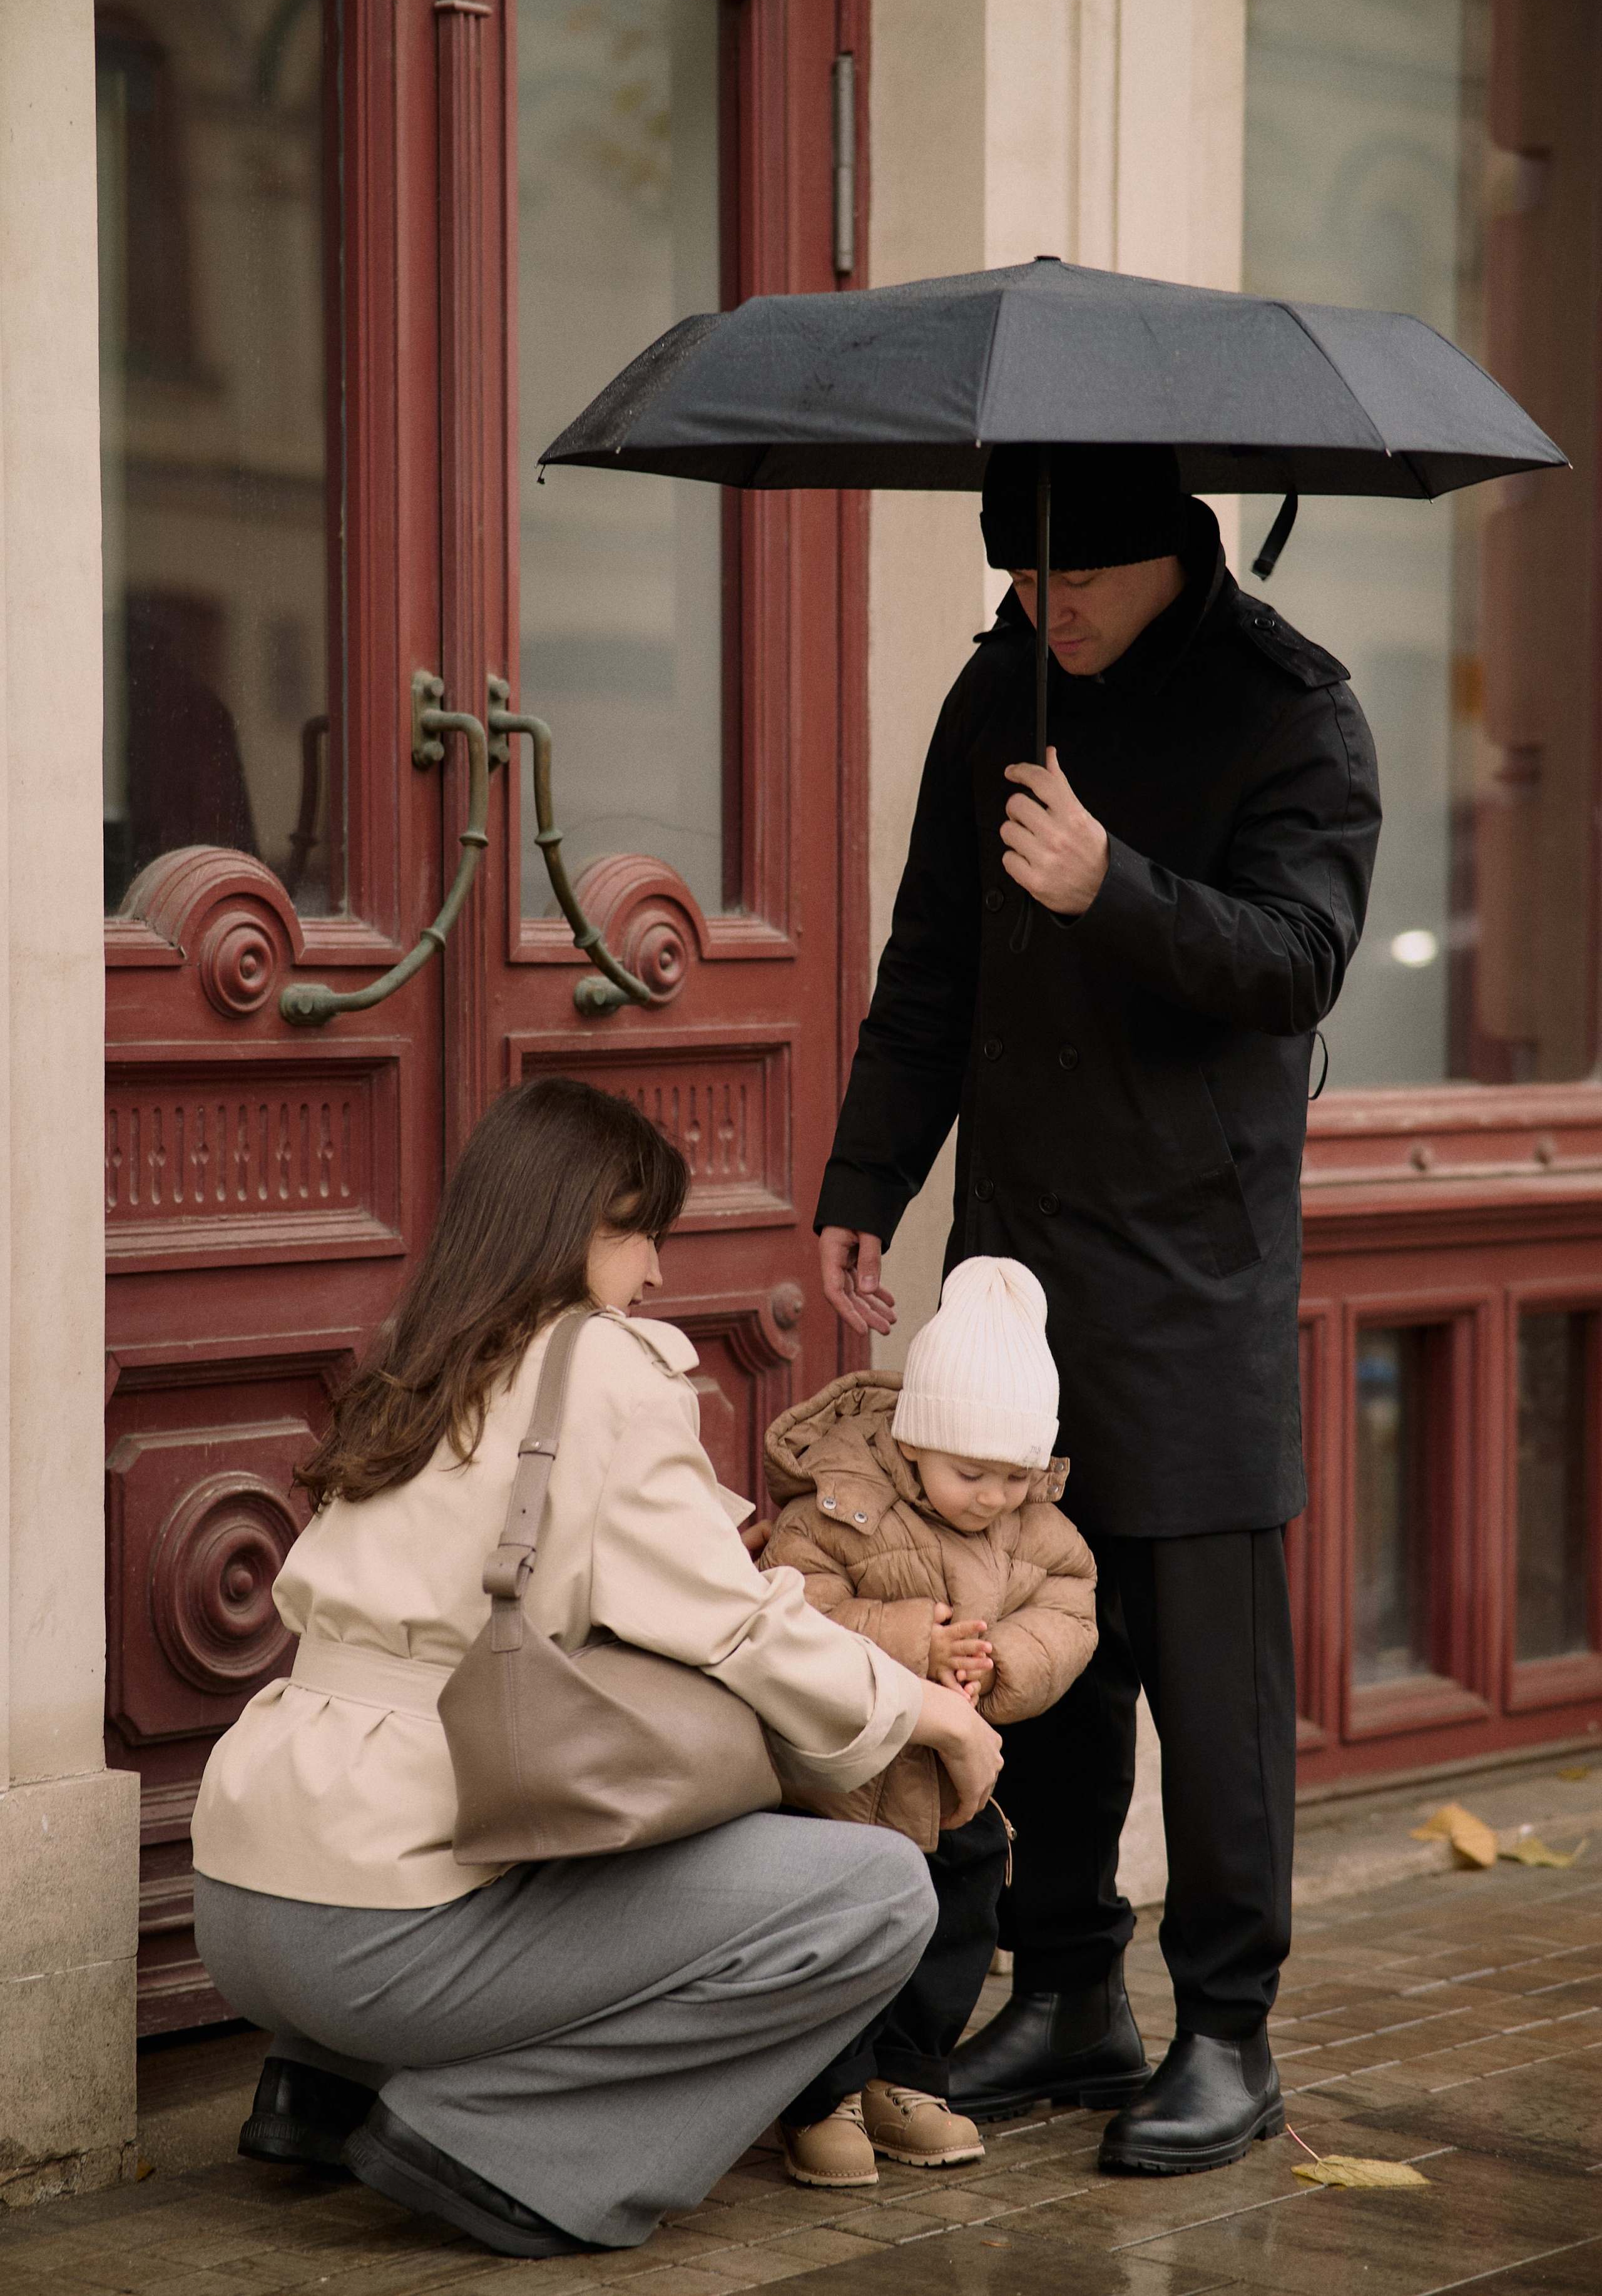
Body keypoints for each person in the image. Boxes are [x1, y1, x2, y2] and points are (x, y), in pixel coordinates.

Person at [816, 444, 1381, 2176]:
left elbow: (1300, 958)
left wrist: (1110, 881)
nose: (1045, 614)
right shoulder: (999, 685)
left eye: (1076, 587)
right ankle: (1066, 1988)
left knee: (1209, 1674)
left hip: (1198, 1264)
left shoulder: (1300, 710)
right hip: (1018, 1252)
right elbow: (931, 958)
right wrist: (862, 1186)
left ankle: (1228, 2031)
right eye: (1025, 585)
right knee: (1024, 1636)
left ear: (1175, 556)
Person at [190, 1076, 1003, 2258]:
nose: (658, 1274)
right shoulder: (608, 1365)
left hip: (243, 1896)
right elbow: (739, 1631)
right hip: (385, 1937)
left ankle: (321, 2091)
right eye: (643, 1233)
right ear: (575, 1222)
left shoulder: (422, 1353)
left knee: (543, 1792)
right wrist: (932, 1711)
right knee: (874, 1894)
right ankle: (490, 2143)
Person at [758, 1255, 1099, 2190]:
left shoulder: (1032, 1525)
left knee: (958, 1918)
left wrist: (1005, 1663)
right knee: (840, 1931)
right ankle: (818, 2096)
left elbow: (1073, 1604)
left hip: (953, 1782)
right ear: (912, 1442)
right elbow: (791, 1609)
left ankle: (907, 2079)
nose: (993, 1496)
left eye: (1014, 1477)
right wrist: (913, 1640)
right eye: (970, 1473)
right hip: (844, 1777)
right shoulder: (839, 1506)